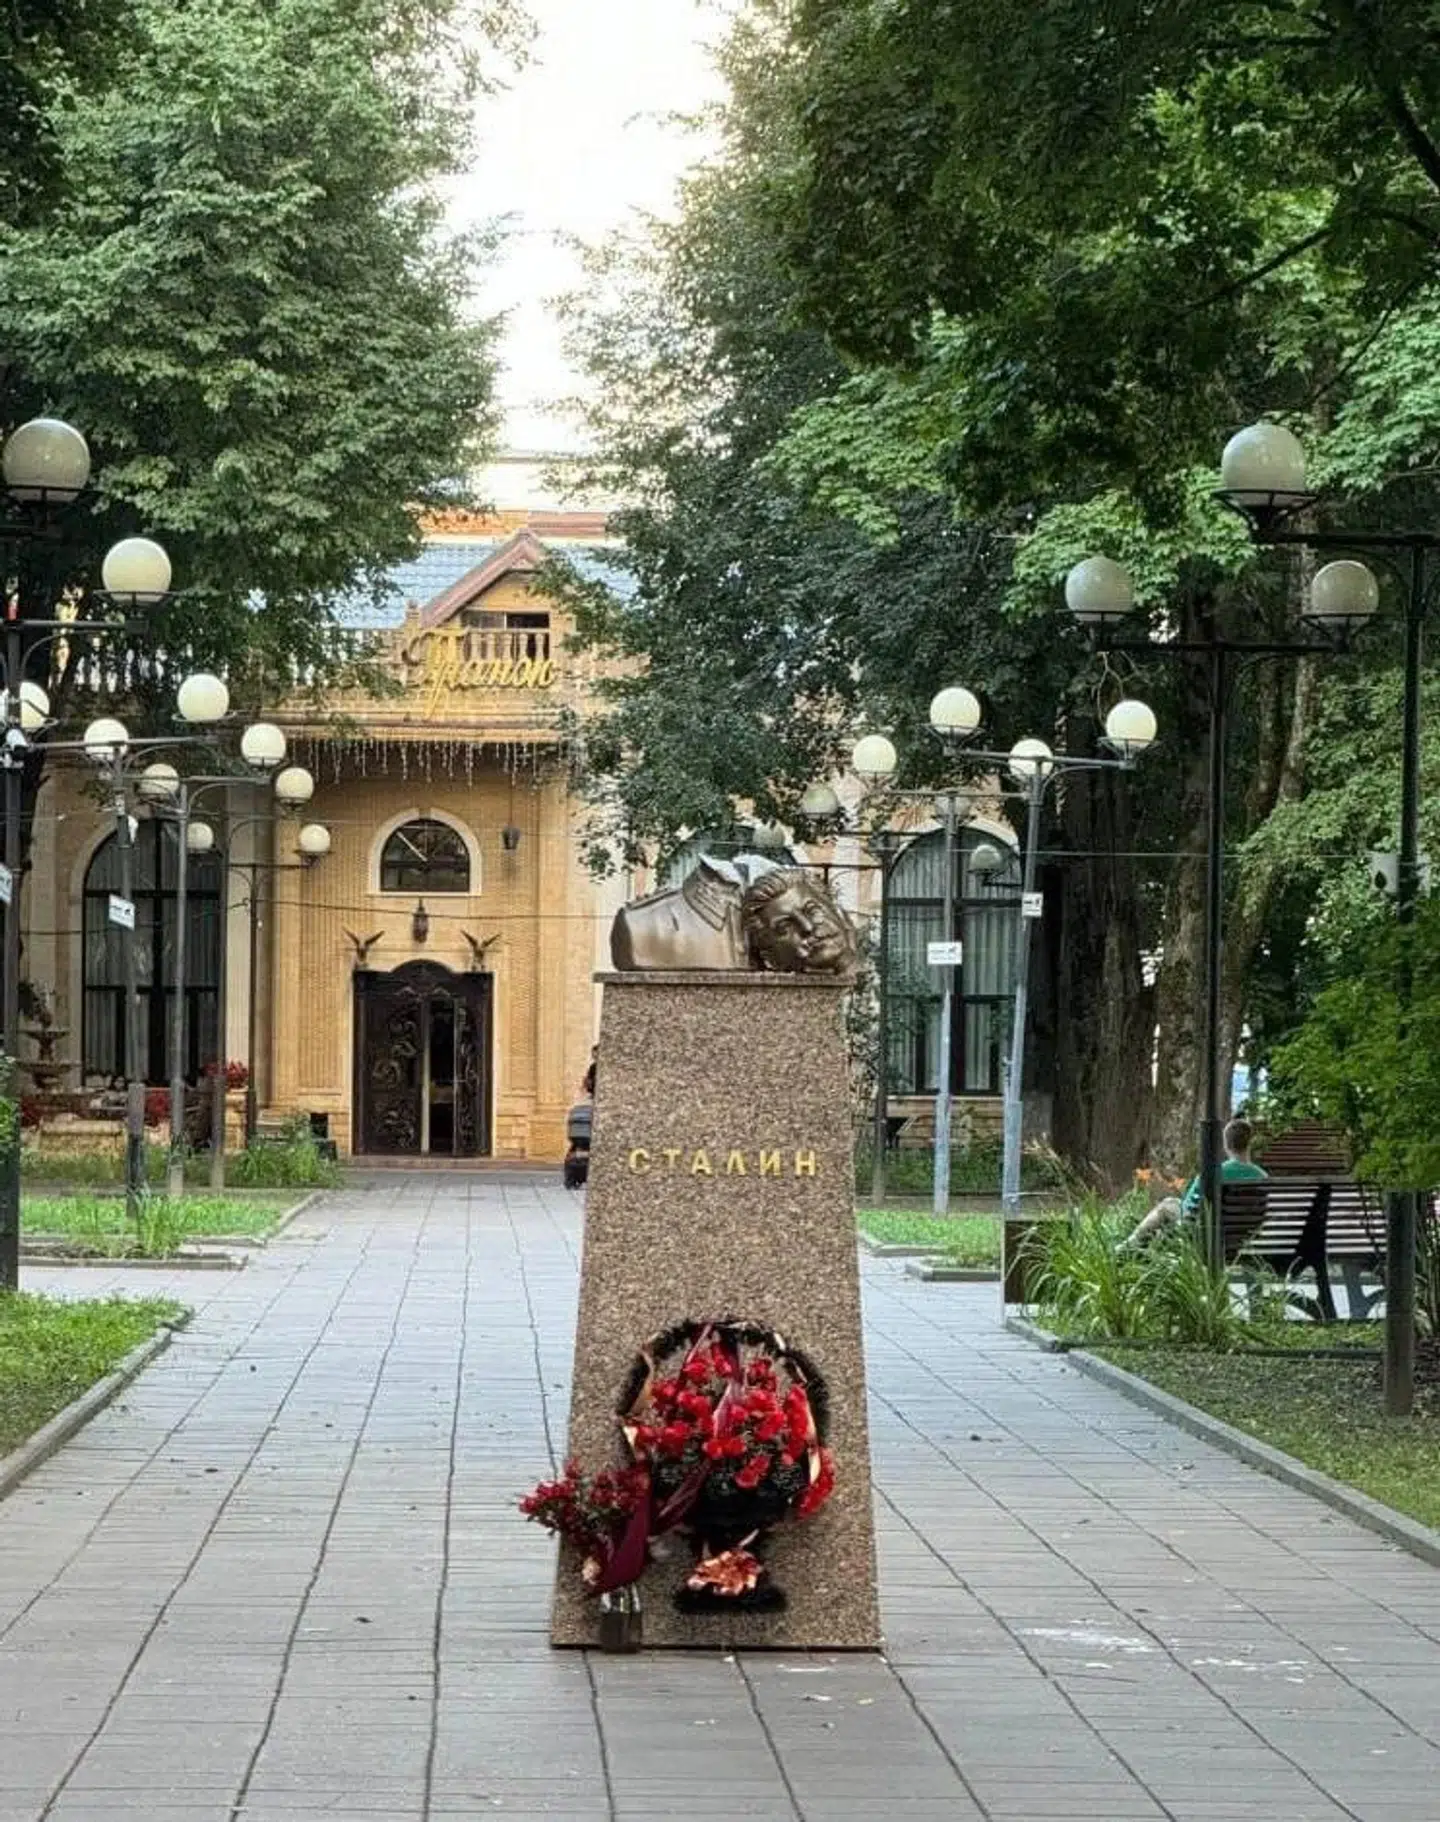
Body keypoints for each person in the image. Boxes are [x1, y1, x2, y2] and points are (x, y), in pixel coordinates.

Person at [1125, 1118, 1267, 1247]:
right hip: (1246, 1237)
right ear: (1249, 1143)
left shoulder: (1212, 1173)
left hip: (1207, 1237)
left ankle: (1128, 1246)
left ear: (1226, 1145)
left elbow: (1188, 1208)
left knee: (1168, 1204)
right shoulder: (1263, 1177)